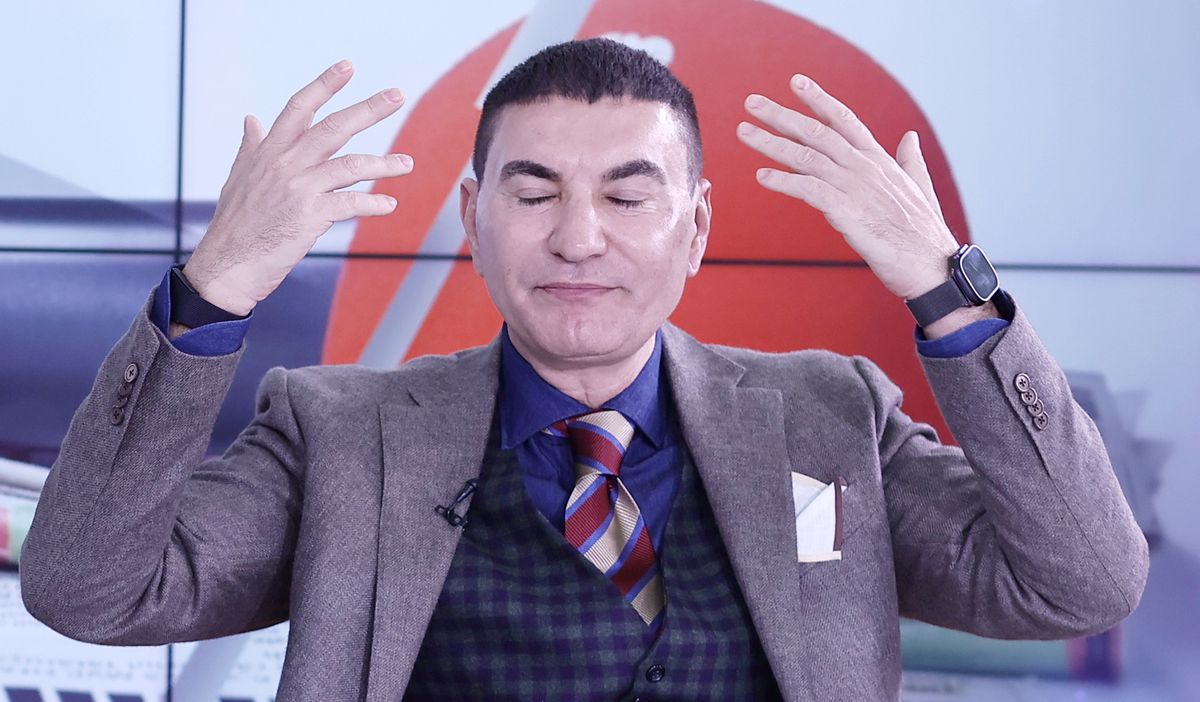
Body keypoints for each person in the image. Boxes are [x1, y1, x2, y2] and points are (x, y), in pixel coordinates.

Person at [20, 38, 1147, 701]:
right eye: (534, 191)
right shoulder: (339, 434)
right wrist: (213, 289)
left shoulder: (828, 420)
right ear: (474, 218)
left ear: (697, 229)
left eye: (626, 194)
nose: (577, 238)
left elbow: (1083, 583)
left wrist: (950, 292)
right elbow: (88, 589)